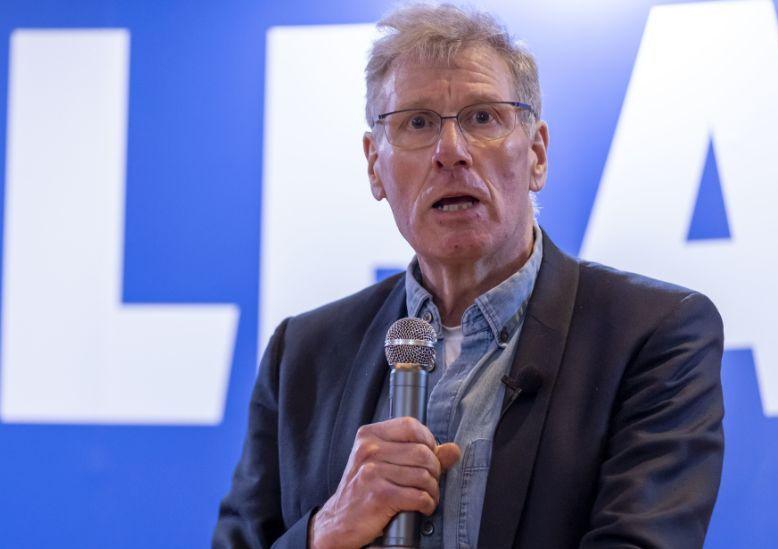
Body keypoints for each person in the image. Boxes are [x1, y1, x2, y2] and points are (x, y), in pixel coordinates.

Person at [213, 4, 724, 548]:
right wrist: (324, 532)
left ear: (537, 154)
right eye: (416, 122)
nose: (450, 152)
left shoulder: (652, 335)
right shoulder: (304, 356)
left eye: (483, 117)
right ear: (373, 165)